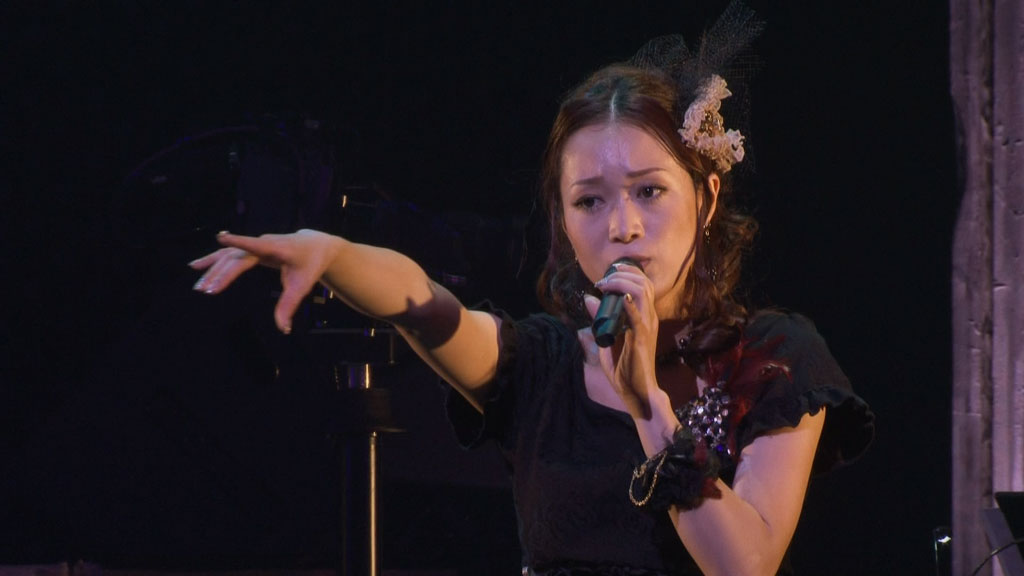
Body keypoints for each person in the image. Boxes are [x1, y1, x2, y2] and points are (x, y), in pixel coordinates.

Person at [188, 8, 873, 575]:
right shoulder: (541, 363)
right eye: (590, 201)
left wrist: (646, 406)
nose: (623, 227)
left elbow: (743, 565)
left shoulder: (774, 359)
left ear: (708, 198)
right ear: (563, 221)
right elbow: (425, 307)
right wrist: (335, 255)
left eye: (650, 191)